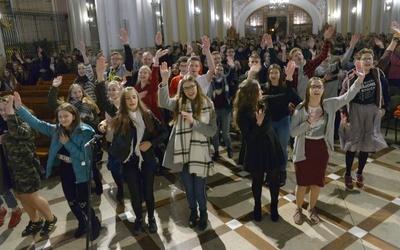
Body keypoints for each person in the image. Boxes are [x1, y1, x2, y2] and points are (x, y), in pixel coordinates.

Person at [96, 56, 168, 236]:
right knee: (135, 195)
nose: (131, 101)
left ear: (138, 98)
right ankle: (139, 219)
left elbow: (165, 132)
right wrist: (99, 77)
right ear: (123, 101)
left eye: (134, 97)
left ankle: (151, 218)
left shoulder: (147, 115)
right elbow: (104, 102)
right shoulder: (120, 115)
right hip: (130, 162)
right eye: (127, 98)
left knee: (148, 193)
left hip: (148, 160)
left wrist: (151, 143)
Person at [14, 95, 101, 240]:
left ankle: (94, 223)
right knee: (71, 201)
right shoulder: (57, 130)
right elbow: (37, 124)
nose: (62, 120)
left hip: (80, 171)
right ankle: (82, 223)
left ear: (74, 116)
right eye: (60, 117)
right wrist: (19, 108)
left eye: (66, 116)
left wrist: (67, 144)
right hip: (66, 170)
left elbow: (84, 157)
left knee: (83, 203)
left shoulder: (85, 131)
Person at [290, 59, 365, 225]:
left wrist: (359, 79)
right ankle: (298, 208)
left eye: (319, 86)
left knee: (317, 182)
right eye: (313, 86)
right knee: (302, 183)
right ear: (309, 90)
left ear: (323, 90)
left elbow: (347, 96)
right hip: (303, 148)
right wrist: (308, 122)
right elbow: (293, 132)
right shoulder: (300, 109)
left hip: (320, 148)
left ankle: (311, 208)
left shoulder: (329, 104)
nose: (316, 89)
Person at [233, 62, 297, 222]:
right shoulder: (242, 113)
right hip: (255, 148)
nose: (262, 91)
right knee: (257, 180)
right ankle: (257, 206)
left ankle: (274, 207)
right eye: (259, 90)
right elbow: (248, 138)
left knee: (274, 179)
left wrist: (288, 78)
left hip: (270, 145)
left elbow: (286, 96)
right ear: (252, 94)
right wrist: (259, 123)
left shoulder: (265, 101)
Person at [340, 22, 400, 190]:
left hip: (371, 111)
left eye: (370, 59)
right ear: (357, 62)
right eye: (364, 59)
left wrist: (396, 37)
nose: (368, 61)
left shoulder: (376, 71)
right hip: (356, 111)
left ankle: (359, 172)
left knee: (367, 145)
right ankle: (347, 174)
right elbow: (342, 100)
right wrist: (344, 118)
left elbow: (386, 56)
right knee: (353, 145)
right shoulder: (350, 77)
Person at [158, 62, 217, 231]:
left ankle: (204, 213)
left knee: (200, 190)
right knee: (189, 190)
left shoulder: (208, 105)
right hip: (183, 154)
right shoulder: (179, 103)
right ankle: (193, 212)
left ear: (197, 87)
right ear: (182, 90)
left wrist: (194, 122)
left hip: (200, 153)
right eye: (186, 88)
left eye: (192, 87)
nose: (190, 90)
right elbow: (163, 102)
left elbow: (212, 131)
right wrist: (164, 81)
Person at [0, 95, 56, 236]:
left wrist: (12, 115)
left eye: (6, 109)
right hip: (12, 168)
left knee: (32, 196)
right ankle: (35, 220)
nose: (3, 112)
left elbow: (17, 133)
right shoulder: (4, 122)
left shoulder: (24, 120)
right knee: (20, 195)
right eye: (1, 110)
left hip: (26, 166)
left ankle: (50, 218)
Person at [48, 76, 103, 195]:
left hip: (87, 139)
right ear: (71, 95)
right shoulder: (68, 108)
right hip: (73, 140)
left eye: (79, 92)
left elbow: (95, 123)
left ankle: (98, 185)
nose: (77, 94)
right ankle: (82, 188)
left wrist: (81, 120)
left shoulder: (89, 105)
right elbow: (52, 103)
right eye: (74, 92)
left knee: (91, 165)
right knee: (77, 166)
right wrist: (54, 88)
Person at [263, 63, 302, 187]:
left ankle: (282, 171)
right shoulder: (264, 88)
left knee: (281, 148)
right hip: (269, 122)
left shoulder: (286, 88)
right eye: (271, 73)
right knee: (269, 149)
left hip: (282, 121)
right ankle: (270, 172)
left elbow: (300, 102)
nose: (273, 75)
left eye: (276, 72)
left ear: (280, 74)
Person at [98, 80, 124, 201]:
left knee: (124, 164)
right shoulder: (108, 103)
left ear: (119, 90)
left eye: (114, 89)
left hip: (122, 139)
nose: (111, 92)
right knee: (113, 165)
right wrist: (102, 124)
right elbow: (107, 119)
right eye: (109, 89)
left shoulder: (123, 104)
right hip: (110, 138)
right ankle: (120, 187)